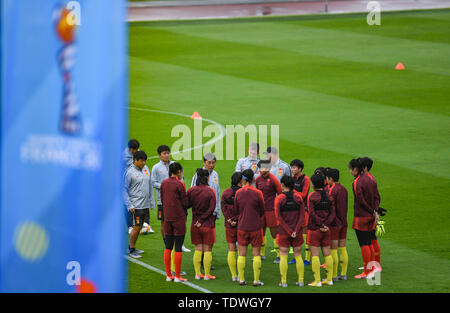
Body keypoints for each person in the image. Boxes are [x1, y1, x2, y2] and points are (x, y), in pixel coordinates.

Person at [349, 158, 380, 279]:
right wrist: (375, 211)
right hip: (371, 216)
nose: (350, 171)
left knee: (364, 243)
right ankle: (372, 268)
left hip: (361, 216)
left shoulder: (357, 182)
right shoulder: (371, 179)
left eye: (351, 169)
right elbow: (377, 197)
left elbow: (361, 200)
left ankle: (367, 272)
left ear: (356, 169)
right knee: (370, 242)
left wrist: (372, 211)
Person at [235, 169, 265, 287]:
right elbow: (262, 210)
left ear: (243, 179)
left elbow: (237, 209)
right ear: (253, 179)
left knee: (241, 253)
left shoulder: (238, 193)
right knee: (256, 253)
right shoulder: (258, 193)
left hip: (242, 226)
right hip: (255, 227)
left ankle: (241, 279)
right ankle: (256, 281)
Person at [274, 175, 305, 287]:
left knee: (283, 255)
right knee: (298, 254)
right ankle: (301, 281)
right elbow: (302, 216)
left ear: (282, 184)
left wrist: (289, 230)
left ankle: (284, 282)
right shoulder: (298, 198)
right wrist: (295, 230)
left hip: (284, 232)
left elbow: (279, 218)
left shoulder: (279, 199)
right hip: (297, 231)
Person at [191, 153, 220, 270]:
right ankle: (202, 261)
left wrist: (217, 210)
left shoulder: (216, 174)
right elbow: (193, 192)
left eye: (213, 162)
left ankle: (205, 260)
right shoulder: (197, 175)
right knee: (200, 238)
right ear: (204, 162)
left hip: (211, 213)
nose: (211, 165)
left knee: (209, 239)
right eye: (209, 163)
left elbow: (217, 192)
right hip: (201, 213)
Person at [161, 162, 189, 282]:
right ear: (178, 172)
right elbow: (185, 202)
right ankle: (177, 276)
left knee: (168, 247)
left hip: (167, 218)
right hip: (179, 219)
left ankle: (168, 275)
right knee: (178, 247)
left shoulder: (164, 183)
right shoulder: (180, 184)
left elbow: (162, 199)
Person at [187, 169, 217, 281]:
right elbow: (211, 208)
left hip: (195, 224)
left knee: (198, 249)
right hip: (207, 224)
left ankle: (197, 273)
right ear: (207, 179)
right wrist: (203, 219)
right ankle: (207, 275)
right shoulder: (210, 191)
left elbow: (186, 204)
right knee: (208, 249)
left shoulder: (191, 191)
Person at [123, 150, 154, 259]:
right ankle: (131, 249)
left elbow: (149, 185)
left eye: (145, 161)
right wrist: (129, 205)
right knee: (136, 228)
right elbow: (124, 189)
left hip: (145, 205)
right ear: (135, 160)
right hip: (135, 206)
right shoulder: (129, 172)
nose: (144, 163)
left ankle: (133, 247)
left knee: (140, 226)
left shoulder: (146, 169)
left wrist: (152, 202)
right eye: (141, 161)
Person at [306, 172, 336, 287]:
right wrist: (326, 225)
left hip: (314, 229)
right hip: (327, 229)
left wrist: (320, 224)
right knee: (327, 254)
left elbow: (311, 213)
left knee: (315, 255)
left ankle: (317, 281)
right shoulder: (329, 196)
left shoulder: (312, 196)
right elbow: (333, 213)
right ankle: (329, 279)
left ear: (313, 184)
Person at [255, 159, 282, 263]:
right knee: (261, 232)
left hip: (271, 210)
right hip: (261, 211)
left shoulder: (274, 179)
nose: (261, 170)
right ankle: (261, 254)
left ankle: (279, 255)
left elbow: (280, 194)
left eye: (263, 168)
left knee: (274, 233)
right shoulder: (258, 180)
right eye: (260, 168)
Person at [326, 168, 349, 281]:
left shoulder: (332, 190)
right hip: (344, 222)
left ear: (330, 179)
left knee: (333, 249)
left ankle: (334, 275)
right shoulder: (344, 189)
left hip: (335, 223)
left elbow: (331, 208)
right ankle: (343, 274)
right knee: (342, 248)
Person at [221, 172, 244, 282]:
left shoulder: (226, 192)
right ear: (240, 181)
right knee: (241, 250)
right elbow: (244, 210)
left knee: (231, 249)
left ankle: (233, 275)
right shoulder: (242, 193)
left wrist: (229, 219)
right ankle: (240, 275)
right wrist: (237, 220)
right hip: (241, 225)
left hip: (229, 225)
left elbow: (223, 207)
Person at [360, 156, 382, 269]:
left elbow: (376, 197)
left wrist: (374, 211)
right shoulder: (369, 178)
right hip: (372, 212)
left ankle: (374, 265)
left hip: (369, 213)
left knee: (371, 239)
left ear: (365, 167)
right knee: (371, 238)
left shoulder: (367, 179)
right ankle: (374, 264)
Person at [290, 159, 311, 265]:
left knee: (305, 233)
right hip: (294, 210)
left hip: (304, 209)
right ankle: (296, 256)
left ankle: (307, 258)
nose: (292, 169)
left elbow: (303, 195)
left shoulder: (306, 179)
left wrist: (291, 190)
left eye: (294, 168)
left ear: (300, 169)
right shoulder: (292, 178)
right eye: (291, 167)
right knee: (295, 234)